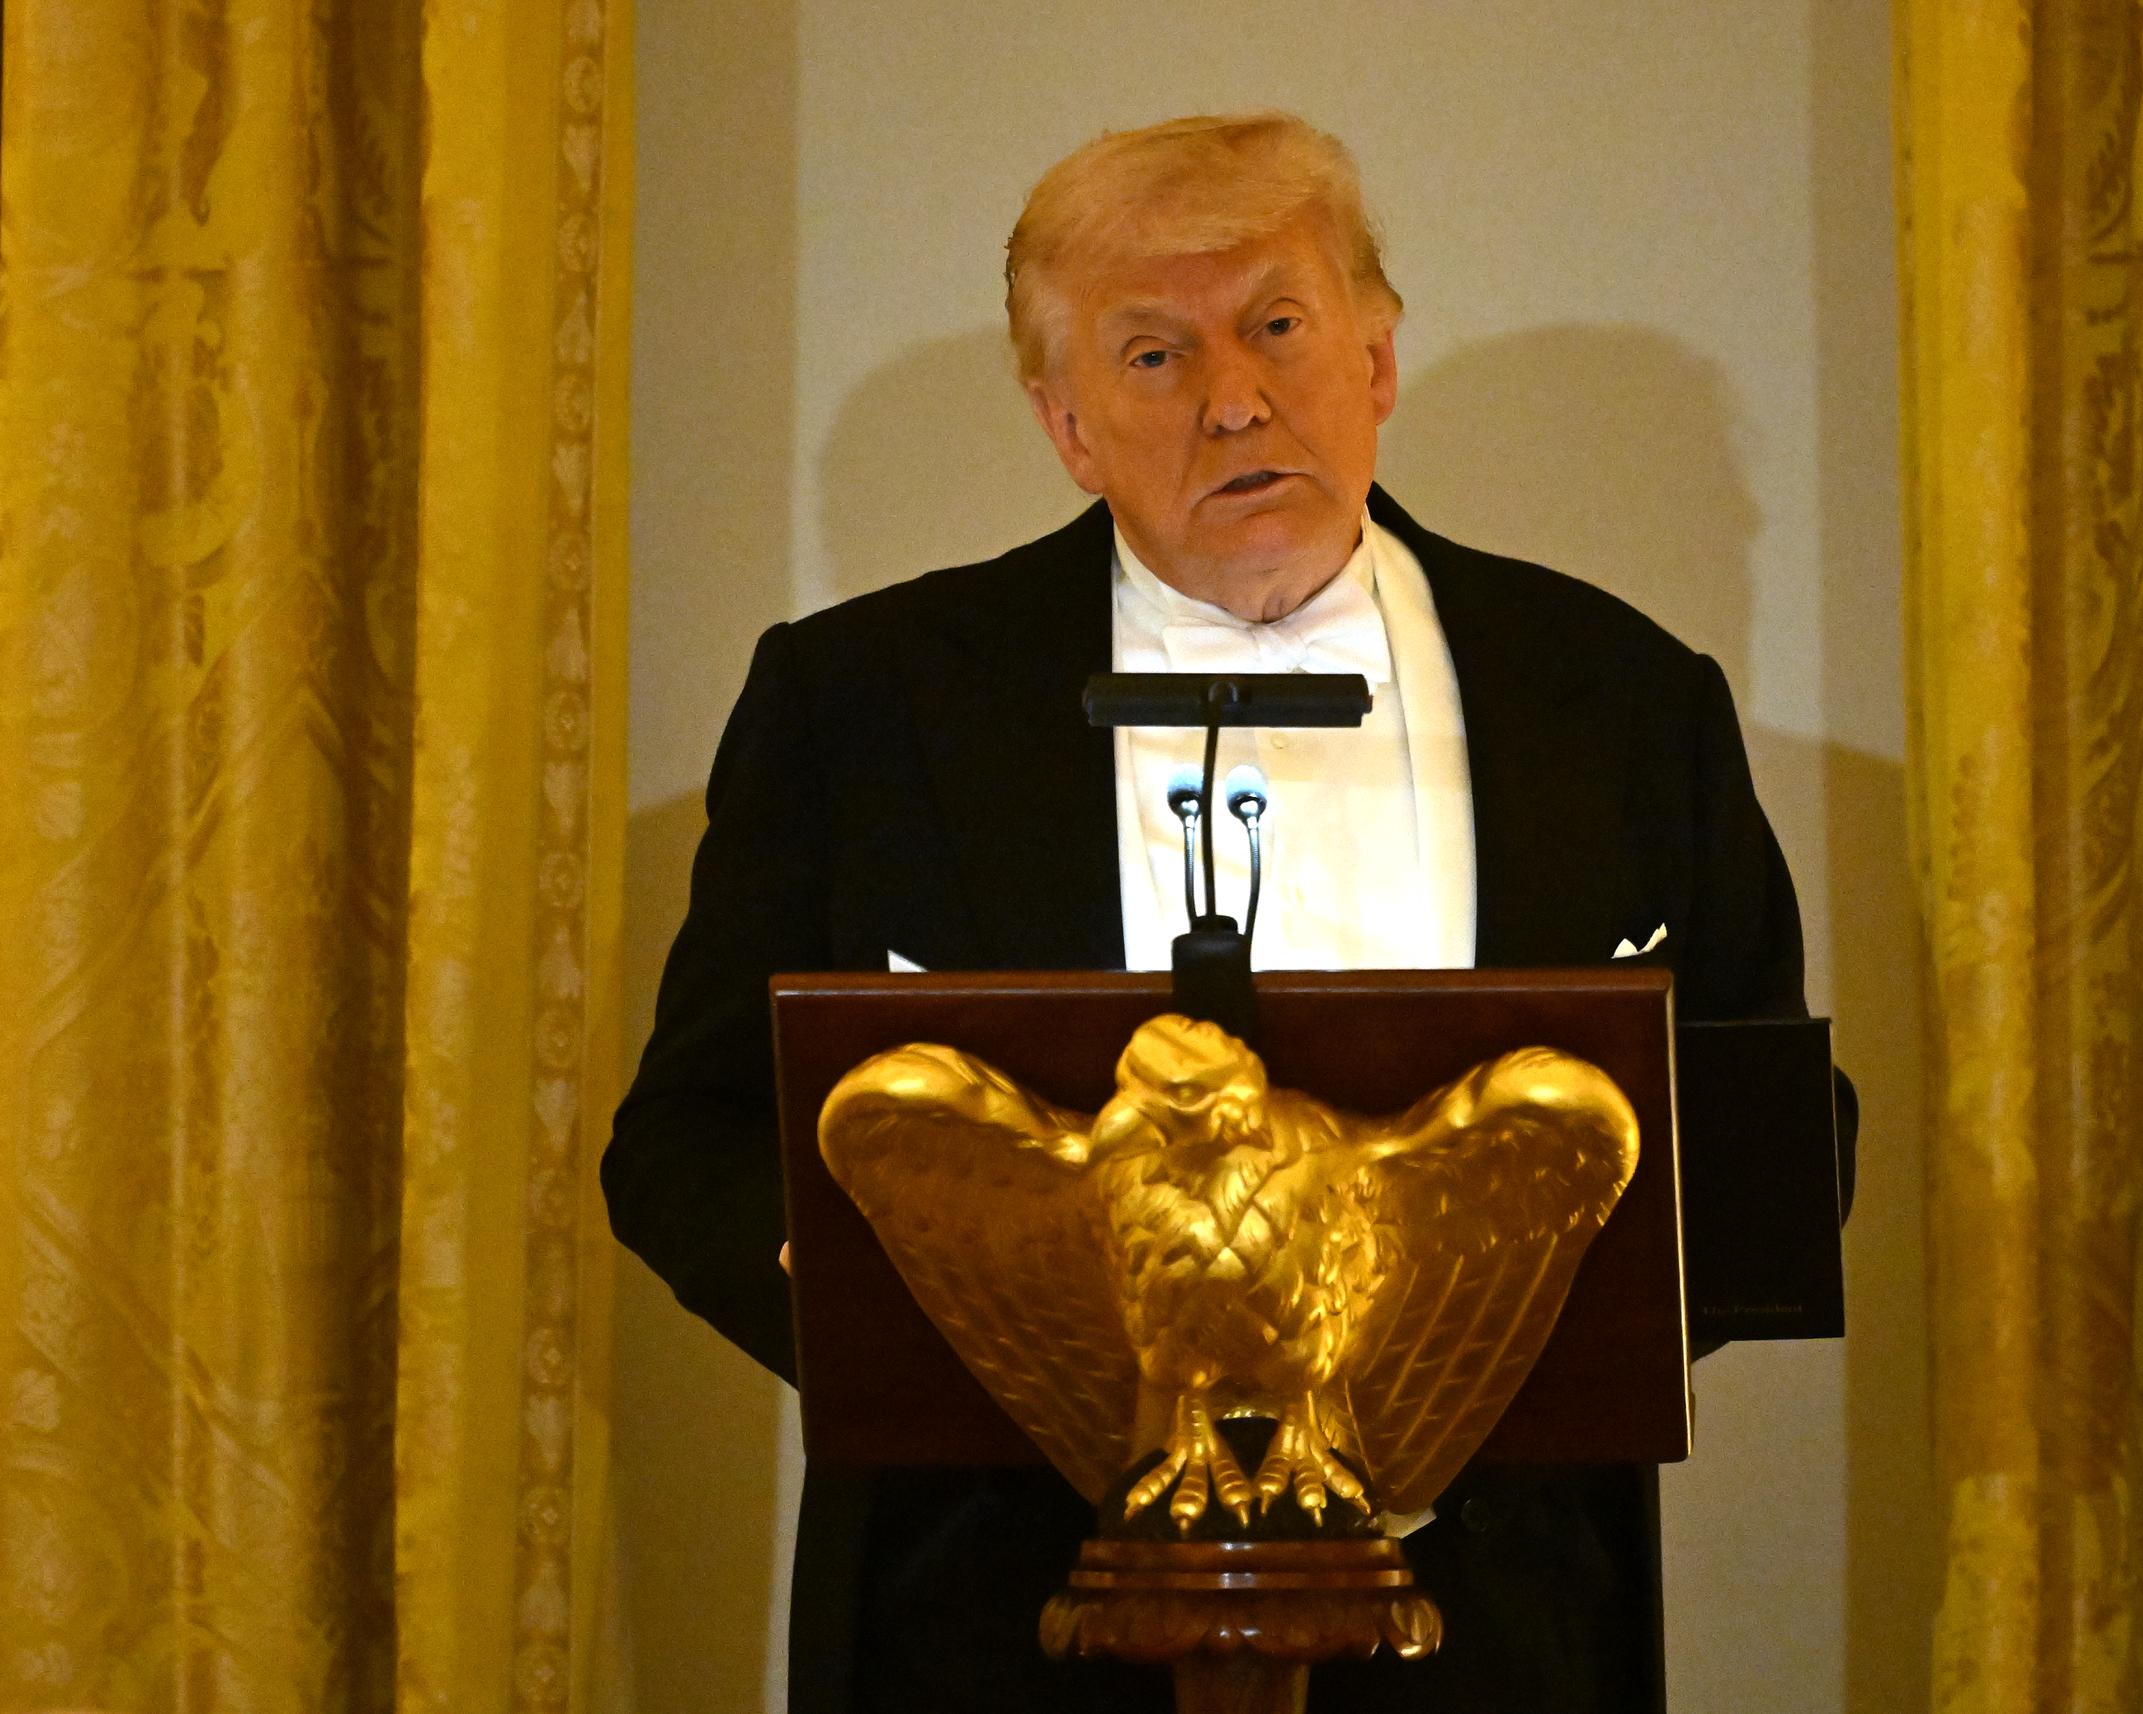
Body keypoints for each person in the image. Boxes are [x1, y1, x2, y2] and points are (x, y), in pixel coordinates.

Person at [606, 112, 1819, 1713]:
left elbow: (1778, 1148)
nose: (1237, 394)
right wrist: (939, 1332)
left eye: (1278, 324)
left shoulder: (1623, 697)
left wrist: (1498, 1363)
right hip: (990, 1627)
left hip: (1508, 1633)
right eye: (1154, 355)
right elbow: (686, 1141)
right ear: (1066, 424)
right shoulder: (861, 705)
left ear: (1378, 358)